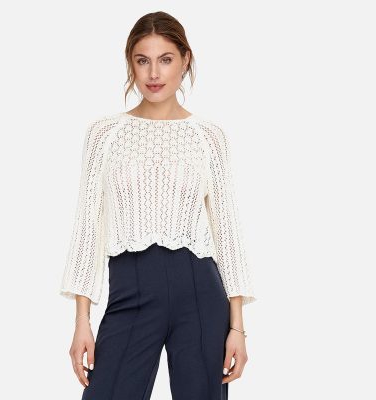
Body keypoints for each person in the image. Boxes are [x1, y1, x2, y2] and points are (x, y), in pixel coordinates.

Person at [60, 11, 257, 400]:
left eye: (165, 59)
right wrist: (82, 320)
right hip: (130, 288)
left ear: (185, 60)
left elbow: (228, 232)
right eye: (142, 60)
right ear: (130, 63)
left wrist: (238, 326)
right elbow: (88, 228)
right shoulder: (104, 134)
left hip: (198, 289)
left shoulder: (208, 137)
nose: (154, 73)